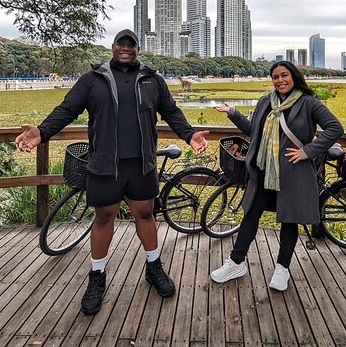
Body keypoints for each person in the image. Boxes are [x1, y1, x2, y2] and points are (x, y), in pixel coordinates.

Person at [15, 29, 209, 315]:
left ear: (138, 49)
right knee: (104, 217)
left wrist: (189, 134)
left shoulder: (152, 80)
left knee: (145, 214)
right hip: (105, 164)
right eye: (122, 43)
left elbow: (171, 111)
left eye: (132, 45)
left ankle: (154, 267)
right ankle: (97, 276)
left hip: (141, 164)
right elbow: (67, 109)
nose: (126, 48)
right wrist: (41, 132)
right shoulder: (93, 80)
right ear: (113, 47)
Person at [210, 60, 343, 291]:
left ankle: (282, 269)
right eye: (275, 77)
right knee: (250, 215)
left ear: (294, 76)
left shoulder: (309, 103)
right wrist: (233, 113)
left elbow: (335, 128)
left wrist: (307, 151)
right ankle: (236, 262)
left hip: (293, 174)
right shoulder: (265, 102)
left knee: (289, 221)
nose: (280, 80)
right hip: (263, 172)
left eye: (284, 75)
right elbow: (254, 131)